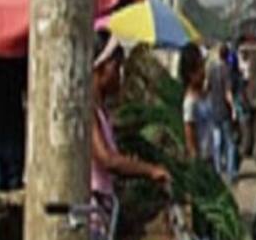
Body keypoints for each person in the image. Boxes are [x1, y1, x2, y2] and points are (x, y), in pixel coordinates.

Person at [91, 30, 170, 203]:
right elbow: (107, 160)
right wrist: (150, 170)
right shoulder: (89, 111)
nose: (119, 75)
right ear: (101, 67)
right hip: (94, 205)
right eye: (116, 67)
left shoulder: (102, 109)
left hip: (106, 202)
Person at [207, 43, 237, 180]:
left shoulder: (212, 70)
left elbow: (206, 88)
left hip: (214, 109)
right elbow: (228, 93)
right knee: (230, 143)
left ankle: (218, 171)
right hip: (224, 111)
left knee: (217, 142)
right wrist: (234, 109)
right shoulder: (227, 70)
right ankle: (231, 173)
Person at [179, 43, 213, 162]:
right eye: (199, 68)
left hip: (211, 156)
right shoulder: (190, 102)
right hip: (203, 160)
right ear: (190, 73)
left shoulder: (204, 95)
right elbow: (190, 138)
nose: (203, 72)